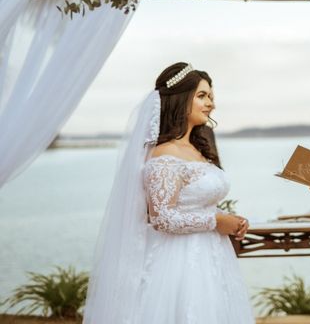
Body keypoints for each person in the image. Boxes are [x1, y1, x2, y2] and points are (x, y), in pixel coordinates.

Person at [83, 62, 254, 324]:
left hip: (212, 258)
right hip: (177, 264)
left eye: (211, 96)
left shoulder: (198, 150)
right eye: (202, 96)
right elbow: (161, 217)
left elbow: (193, 203)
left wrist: (230, 219)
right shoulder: (164, 154)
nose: (211, 103)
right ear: (179, 99)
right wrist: (217, 222)